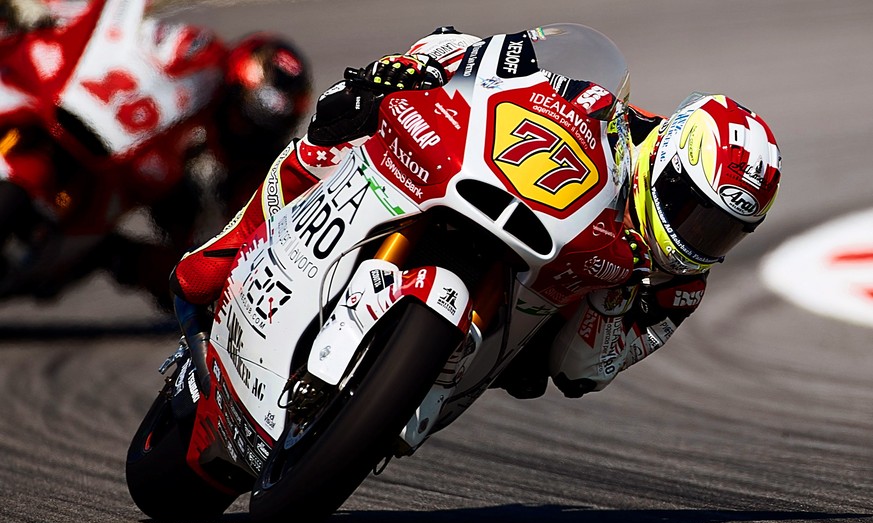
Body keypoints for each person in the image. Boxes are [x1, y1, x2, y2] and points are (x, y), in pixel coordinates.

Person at [169, 26, 782, 399]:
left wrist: (623, 306)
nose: (697, 235)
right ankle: (229, 247)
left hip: (517, 322)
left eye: (721, 229)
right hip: (485, 187)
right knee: (339, 122)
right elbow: (505, 56)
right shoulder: (604, 108)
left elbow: (585, 372)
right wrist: (428, 64)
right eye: (691, 208)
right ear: (668, 155)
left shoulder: (680, 285)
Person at [0, 0, 312, 307]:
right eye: (243, 116)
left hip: (130, 185)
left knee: (173, 266)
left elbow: (239, 232)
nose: (243, 130)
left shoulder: (247, 165)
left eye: (257, 127)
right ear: (235, 86)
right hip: (88, 110)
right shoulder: (195, 53)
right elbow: (127, 29)